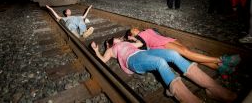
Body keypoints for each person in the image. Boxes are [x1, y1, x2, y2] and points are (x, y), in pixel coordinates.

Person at [91, 37, 237, 103]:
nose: (116, 38)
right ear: (110, 44)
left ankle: (212, 88)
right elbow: (103, 60)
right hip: (132, 61)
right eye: (113, 39)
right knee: (160, 63)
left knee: (173, 54)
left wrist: (135, 39)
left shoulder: (126, 43)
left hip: (142, 53)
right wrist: (97, 51)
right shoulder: (111, 50)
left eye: (117, 38)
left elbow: (140, 43)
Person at [126, 27, 241, 75]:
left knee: (188, 54)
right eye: (133, 30)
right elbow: (136, 46)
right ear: (131, 36)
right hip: (161, 44)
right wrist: (129, 40)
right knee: (187, 53)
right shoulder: (138, 39)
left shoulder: (145, 30)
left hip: (167, 39)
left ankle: (219, 68)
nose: (135, 29)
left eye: (135, 28)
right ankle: (222, 59)